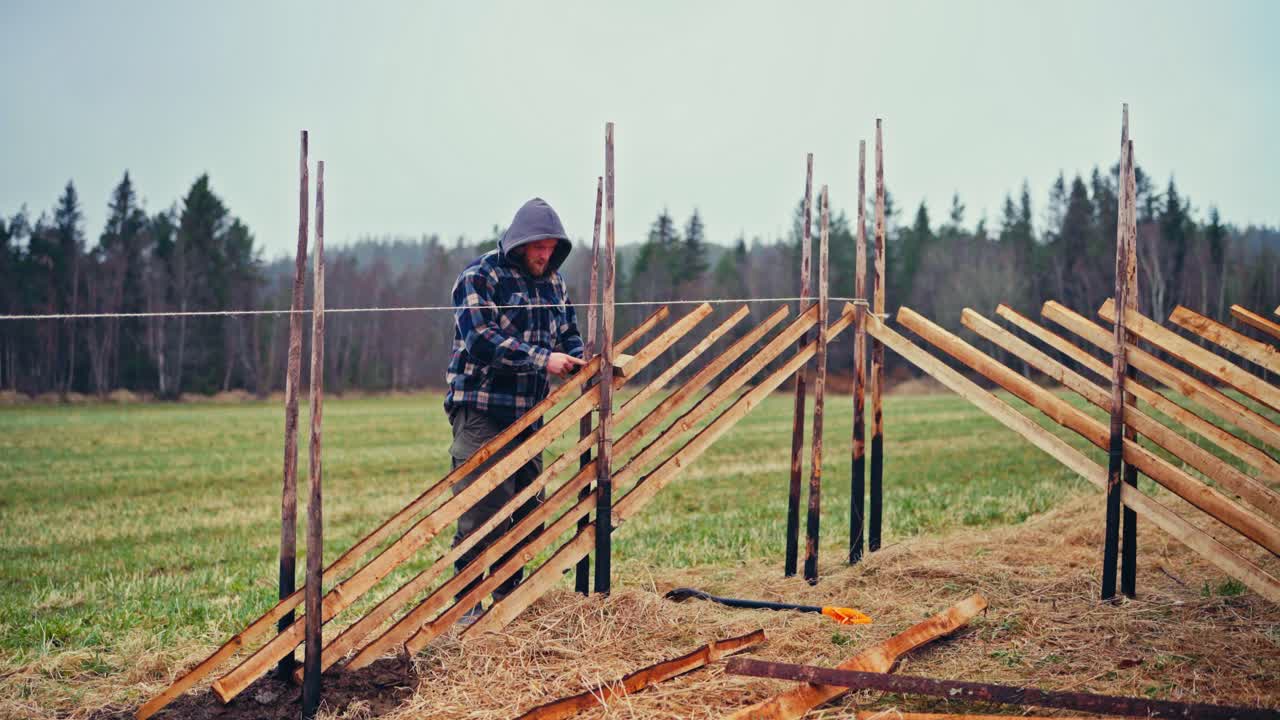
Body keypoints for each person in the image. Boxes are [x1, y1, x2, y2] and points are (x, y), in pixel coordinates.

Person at [444, 197, 586, 622]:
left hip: (529, 413)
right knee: (482, 507)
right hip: (483, 408)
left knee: (526, 509)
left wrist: (582, 363)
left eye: (551, 247)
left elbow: (569, 333)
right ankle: (468, 606)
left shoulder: (555, 284)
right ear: (520, 243)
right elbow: (481, 339)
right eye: (537, 246)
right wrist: (542, 359)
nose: (544, 254)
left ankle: (508, 605)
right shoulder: (479, 276)